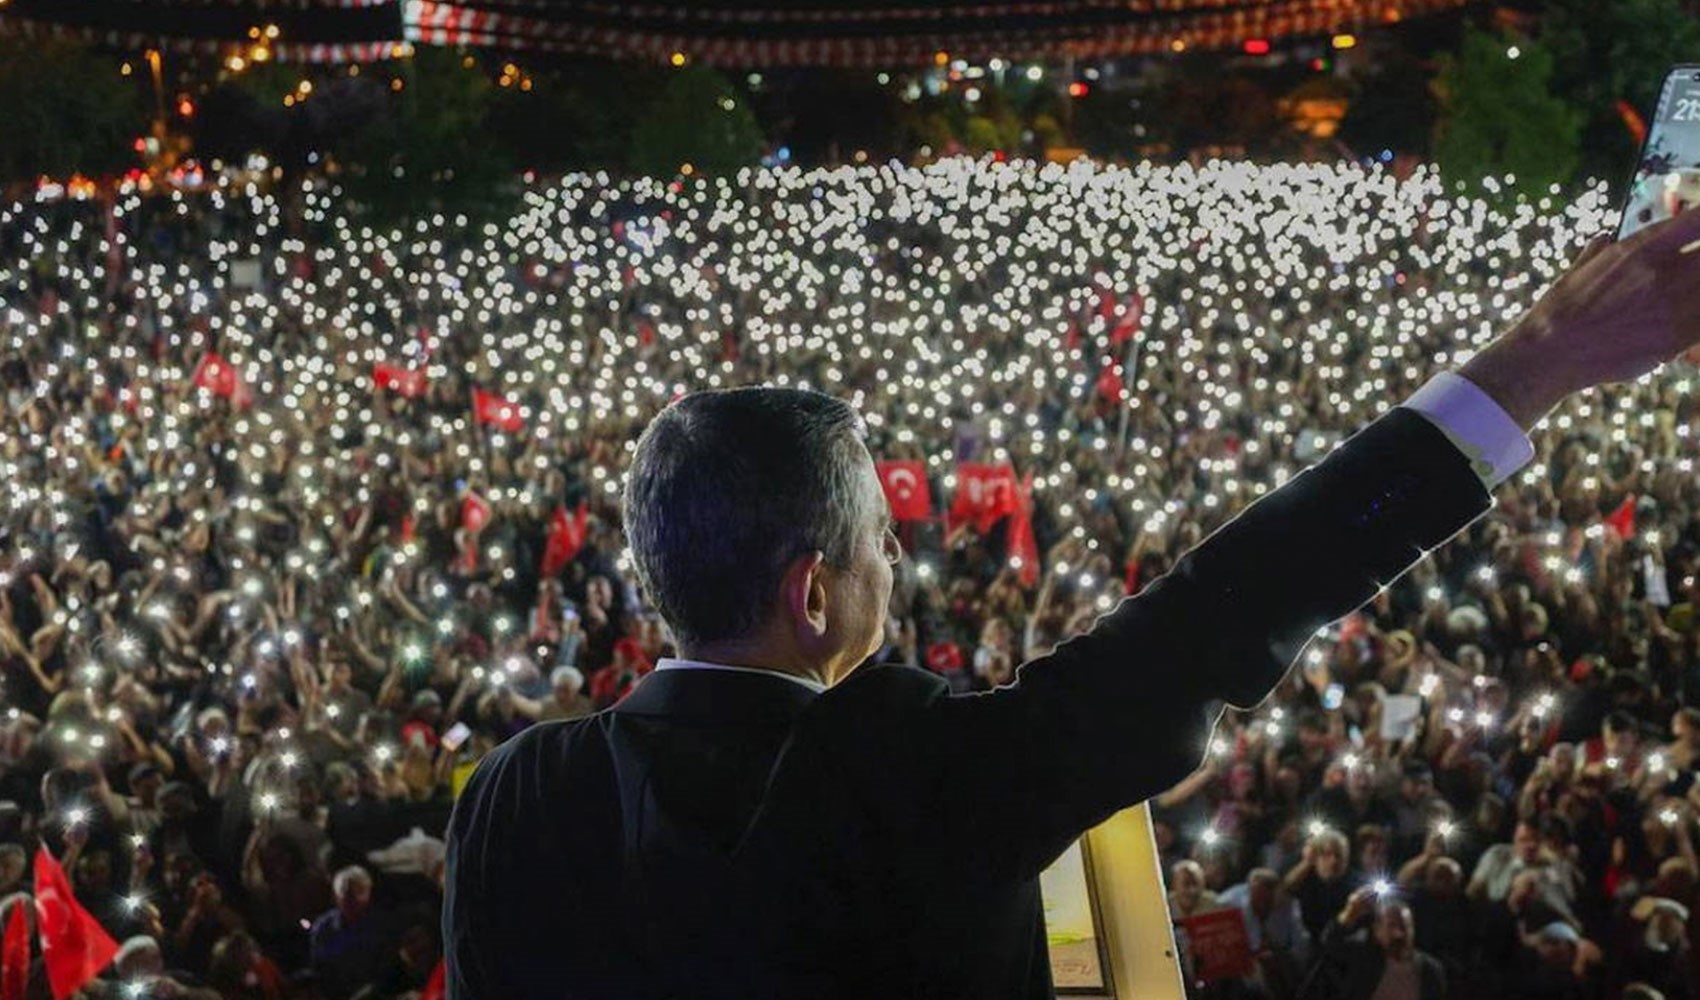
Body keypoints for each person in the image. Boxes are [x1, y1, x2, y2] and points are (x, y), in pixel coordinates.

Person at [442, 211, 1700, 996]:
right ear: (810, 592)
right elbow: (1225, 605)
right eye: (884, 541)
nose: (904, 563)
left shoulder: (511, 794)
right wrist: (1536, 359)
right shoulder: (915, 777)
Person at [1312, 887, 1447, 1000]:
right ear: (1377, 930)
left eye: (1404, 927)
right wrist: (1349, 914)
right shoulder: (1363, 959)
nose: (1398, 933)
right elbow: (1330, 945)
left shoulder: (1430, 970)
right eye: (1392, 926)